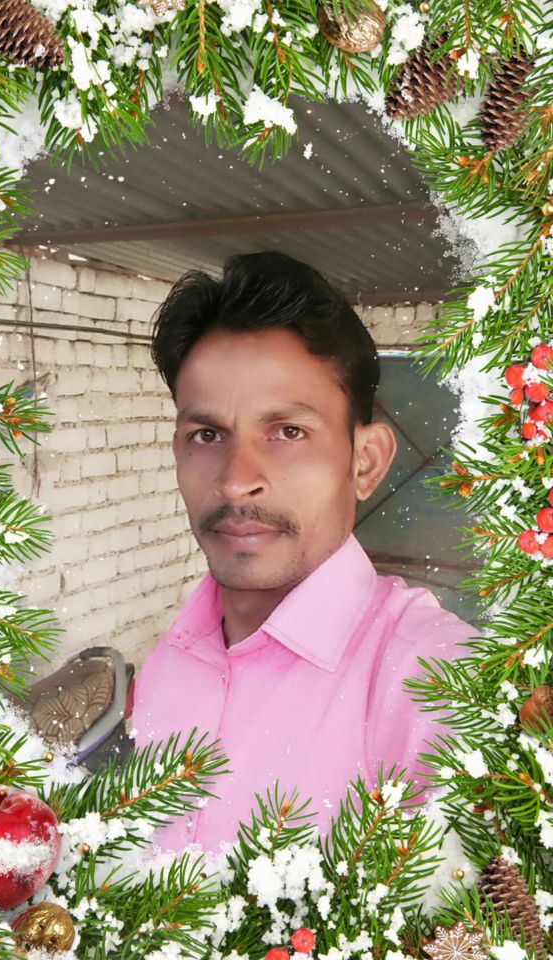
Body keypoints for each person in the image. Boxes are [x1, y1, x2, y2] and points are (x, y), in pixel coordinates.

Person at [131, 250, 472, 854]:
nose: (236, 481)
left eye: (288, 432)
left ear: (365, 462)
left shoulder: (434, 681)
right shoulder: (170, 658)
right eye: (207, 434)